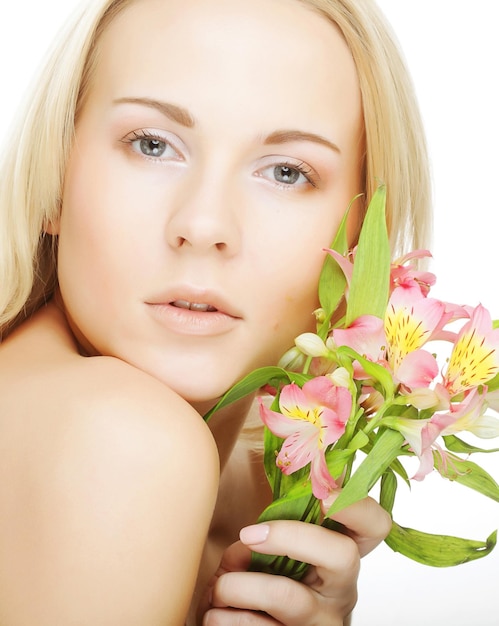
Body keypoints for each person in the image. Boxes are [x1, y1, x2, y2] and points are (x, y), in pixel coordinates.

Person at [0, 0, 431, 624]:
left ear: (363, 244)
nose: (203, 225)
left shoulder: (262, 472)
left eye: (286, 172)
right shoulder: (122, 439)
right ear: (55, 180)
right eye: (152, 144)